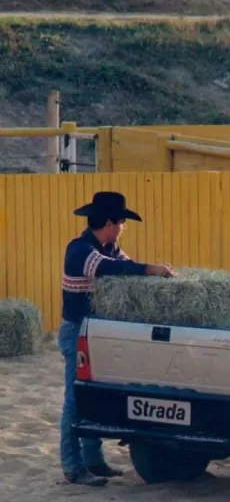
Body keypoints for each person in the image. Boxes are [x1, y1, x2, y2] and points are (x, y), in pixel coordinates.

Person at [59, 191, 177, 486]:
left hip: (97, 334)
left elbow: (126, 266)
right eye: (123, 222)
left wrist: (151, 273)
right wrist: (151, 270)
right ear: (110, 222)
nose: (124, 228)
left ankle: (94, 461)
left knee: (92, 396)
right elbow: (107, 269)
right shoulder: (80, 251)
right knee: (75, 400)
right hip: (78, 332)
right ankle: (73, 467)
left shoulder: (110, 249)